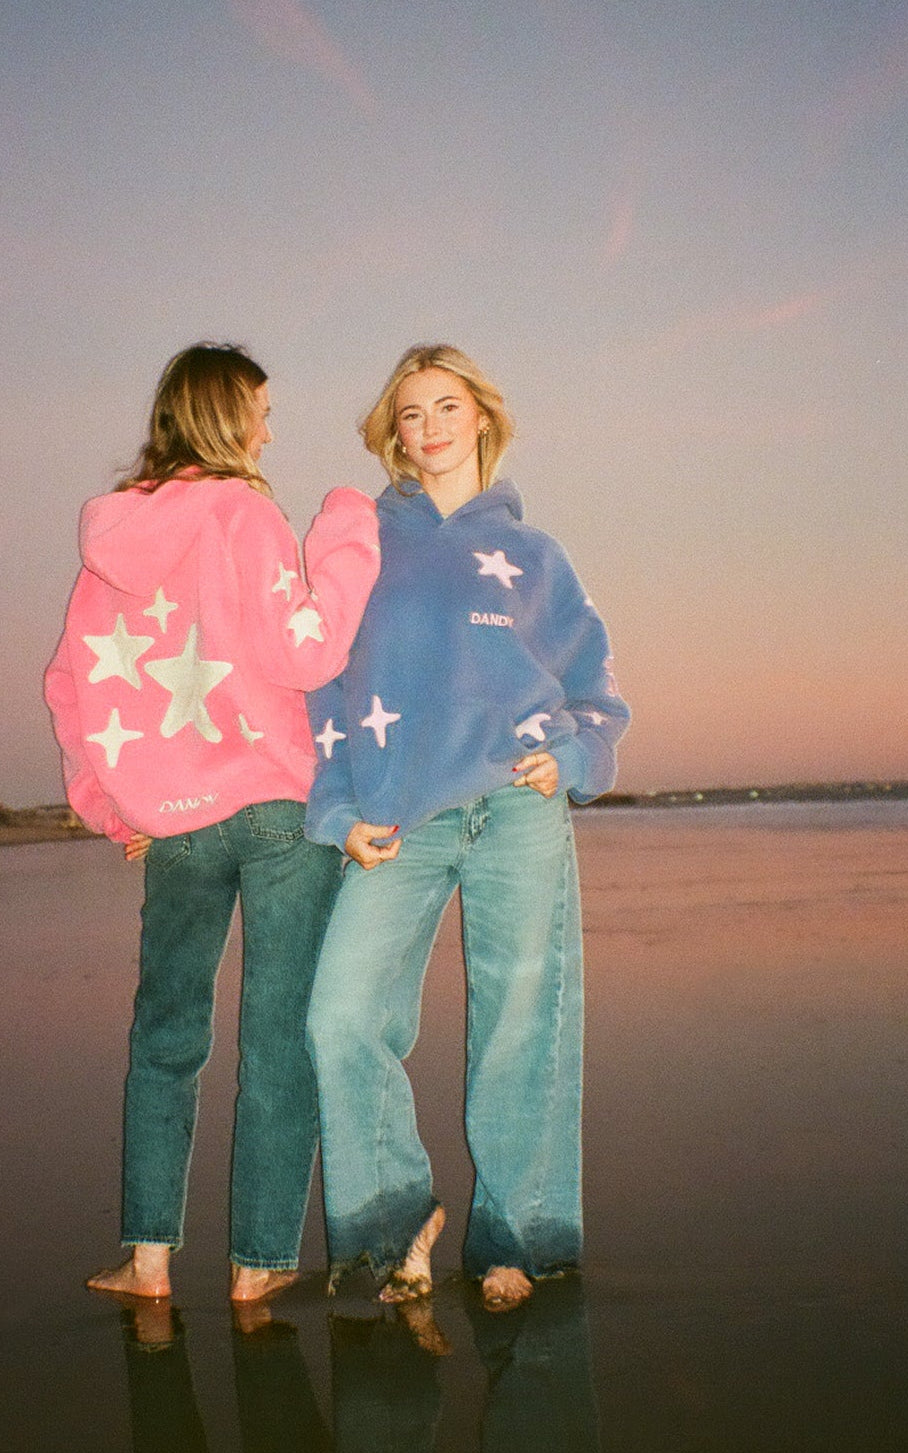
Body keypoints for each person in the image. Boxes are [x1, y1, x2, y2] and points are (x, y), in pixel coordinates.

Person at [44, 343, 379, 1302]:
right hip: (276, 811)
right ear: (226, 417)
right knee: (277, 1041)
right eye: (261, 413)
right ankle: (257, 1269)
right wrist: (347, 530)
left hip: (175, 828)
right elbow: (307, 650)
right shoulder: (246, 513)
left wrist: (112, 808)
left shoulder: (109, 544)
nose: (270, 431)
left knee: (165, 1038)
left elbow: (69, 686)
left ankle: (148, 1262)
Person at [304, 344, 630, 1311]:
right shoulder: (364, 539)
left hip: (518, 807)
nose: (432, 425)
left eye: (449, 406)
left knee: (520, 1024)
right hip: (401, 820)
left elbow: (595, 685)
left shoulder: (537, 556)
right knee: (340, 1016)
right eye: (412, 413)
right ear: (393, 434)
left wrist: (574, 759)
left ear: (481, 417)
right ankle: (391, 1221)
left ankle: (517, 1237)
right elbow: (319, 681)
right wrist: (334, 808)